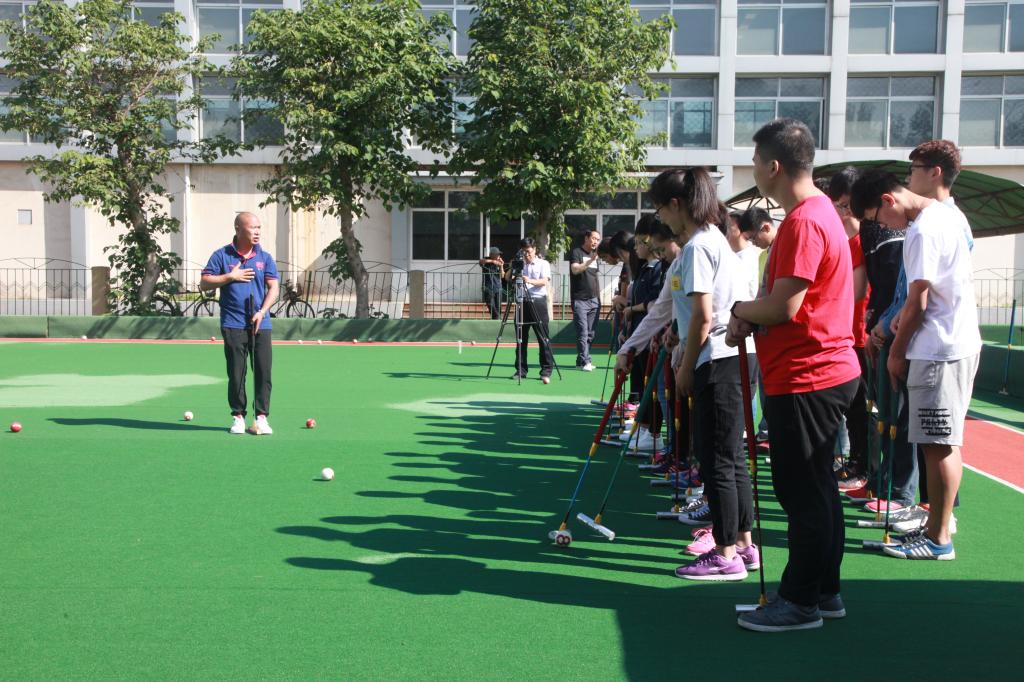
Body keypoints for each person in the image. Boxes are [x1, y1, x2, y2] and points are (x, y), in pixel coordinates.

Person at [727, 119, 861, 632]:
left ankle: (801, 600)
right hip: (818, 370)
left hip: (809, 374)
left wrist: (740, 310)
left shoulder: (805, 220)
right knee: (818, 488)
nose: (753, 170)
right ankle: (823, 591)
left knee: (803, 492)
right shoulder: (819, 212)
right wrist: (751, 313)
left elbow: (784, 306)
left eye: (755, 161)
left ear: (774, 166)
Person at [851, 165, 980, 562]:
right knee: (938, 443)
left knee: (937, 445)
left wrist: (896, 352)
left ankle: (939, 537)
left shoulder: (923, 228)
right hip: (948, 344)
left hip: (938, 348)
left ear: (887, 200)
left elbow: (918, 299)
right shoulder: (946, 215)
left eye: (876, 218)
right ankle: (935, 528)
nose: (881, 227)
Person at [651, 168, 759, 583]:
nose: (661, 219)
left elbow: (702, 316)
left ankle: (726, 552)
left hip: (716, 358)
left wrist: (684, 365)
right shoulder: (715, 239)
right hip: (734, 355)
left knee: (716, 460)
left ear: (676, 204)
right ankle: (744, 545)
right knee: (730, 458)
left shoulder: (698, 246)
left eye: (660, 209)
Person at [200, 212, 280, 435]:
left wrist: (262, 312)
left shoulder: (265, 257)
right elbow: (204, 283)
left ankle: (261, 417)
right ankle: (238, 417)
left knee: (263, 371)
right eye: (253, 227)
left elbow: (274, 287)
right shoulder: (222, 255)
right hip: (233, 323)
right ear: (238, 228)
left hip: (260, 324)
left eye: (259, 227)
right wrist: (230, 277)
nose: (257, 232)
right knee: (236, 373)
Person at [827, 168, 870, 487]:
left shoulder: (863, 240)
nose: (840, 213)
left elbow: (855, 291)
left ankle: (863, 467)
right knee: (854, 408)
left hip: (862, 336)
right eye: (837, 205)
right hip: (849, 334)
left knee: (863, 408)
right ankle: (856, 463)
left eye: (844, 205)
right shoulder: (850, 241)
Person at [509, 238, 554, 384]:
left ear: (534, 250)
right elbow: (508, 278)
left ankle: (546, 371)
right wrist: (513, 267)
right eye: (524, 252)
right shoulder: (519, 263)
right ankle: (521, 370)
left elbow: (545, 281)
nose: (526, 255)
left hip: (538, 301)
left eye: (528, 252)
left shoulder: (543, 263)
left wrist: (529, 280)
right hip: (522, 302)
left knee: (543, 337)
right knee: (521, 338)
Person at [568, 230, 601, 370]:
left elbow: (594, 277)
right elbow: (575, 270)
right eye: (593, 238)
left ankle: (580, 361)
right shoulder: (577, 252)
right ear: (586, 238)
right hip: (580, 300)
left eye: (598, 240)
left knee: (590, 334)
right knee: (582, 332)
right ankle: (586, 361)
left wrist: (598, 298)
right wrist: (590, 261)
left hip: (594, 300)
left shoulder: (595, 256)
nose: (595, 242)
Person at [479, 247, 505, 319]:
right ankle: (496, 317)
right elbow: (481, 261)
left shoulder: (499, 262)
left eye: (499, 254)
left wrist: (501, 266)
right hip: (488, 287)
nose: (499, 256)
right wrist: (493, 261)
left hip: (498, 287)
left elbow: (502, 276)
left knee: (498, 307)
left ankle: (497, 319)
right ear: (491, 254)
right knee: (490, 304)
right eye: (497, 254)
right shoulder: (486, 260)